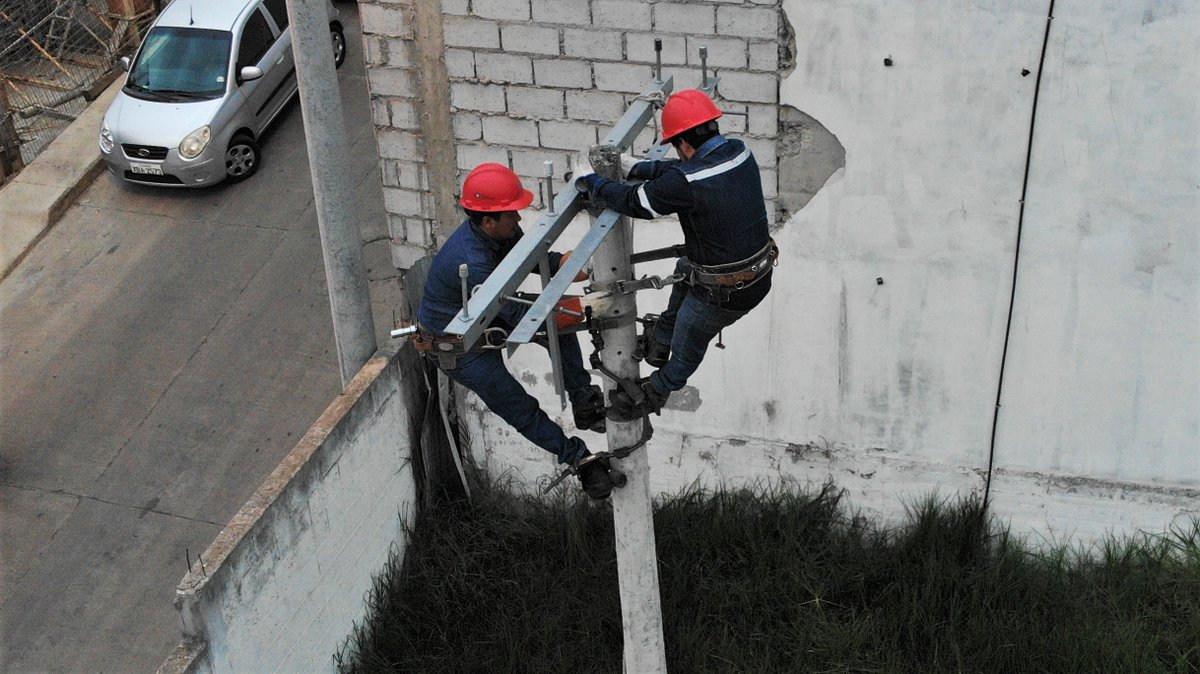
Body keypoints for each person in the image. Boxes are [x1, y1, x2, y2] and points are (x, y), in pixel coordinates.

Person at [575, 89, 777, 420]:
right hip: (755, 274)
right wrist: (639, 168)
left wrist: (591, 182)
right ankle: (661, 337)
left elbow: (634, 202)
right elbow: (683, 172)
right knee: (685, 267)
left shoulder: (687, 182)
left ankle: (656, 390)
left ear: (683, 144)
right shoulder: (739, 151)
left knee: (689, 343)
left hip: (724, 294)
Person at [416, 163, 615, 499]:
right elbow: (519, 317)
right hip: (462, 352)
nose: (519, 220)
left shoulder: (500, 232)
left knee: (561, 322)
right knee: (520, 407)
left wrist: (565, 262)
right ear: (488, 221)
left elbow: (531, 258)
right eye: (512, 215)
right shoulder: (473, 261)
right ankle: (579, 460)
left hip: (490, 318)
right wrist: (582, 311)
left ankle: (583, 399)